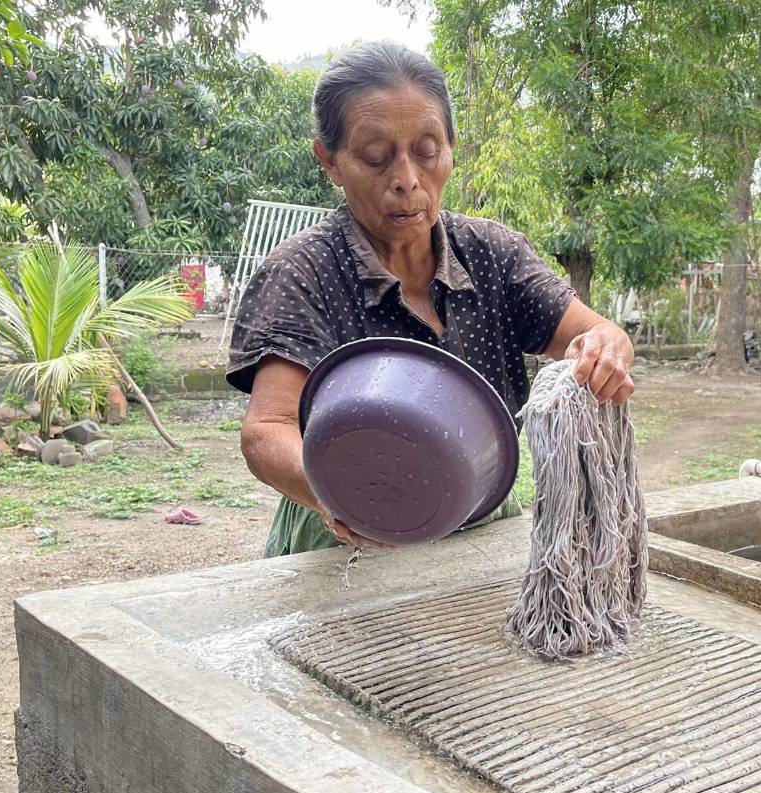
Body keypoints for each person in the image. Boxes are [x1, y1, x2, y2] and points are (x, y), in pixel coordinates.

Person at [227, 41, 635, 556]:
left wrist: (607, 346)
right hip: (347, 537)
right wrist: (341, 495)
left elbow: (593, 333)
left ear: (451, 148)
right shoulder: (304, 270)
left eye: (426, 151)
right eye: (375, 157)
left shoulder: (492, 253)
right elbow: (267, 431)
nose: (405, 180)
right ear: (328, 161)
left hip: (481, 523)